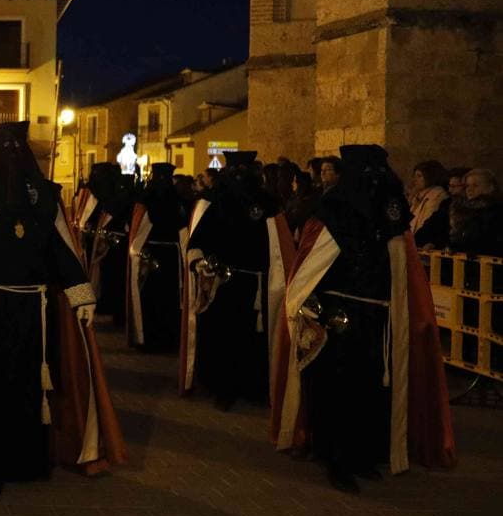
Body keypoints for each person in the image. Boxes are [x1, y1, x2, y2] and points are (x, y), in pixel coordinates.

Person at [0, 121, 125, 498]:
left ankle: (24, 462)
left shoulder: (44, 199)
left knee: (28, 388)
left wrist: (81, 294)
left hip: (35, 312)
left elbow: (60, 251)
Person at [271, 145, 454, 493]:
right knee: (337, 391)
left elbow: (400, 265)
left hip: (376, 316)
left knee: (371, 389)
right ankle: (335, 458)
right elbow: (311, 267)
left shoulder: (388, 212)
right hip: (338, 320)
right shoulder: (335, 210)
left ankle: (363, 455)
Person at [180, 152, 294, 410]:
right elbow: (199, 241)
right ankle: (224, 387)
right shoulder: (218, 202)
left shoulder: (266, 203)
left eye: (244, 170)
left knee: (254, 337)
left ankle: (253, 387)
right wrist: (201, 264)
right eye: (236, 170)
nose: (240, 176)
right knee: (226, 336)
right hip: (225, 283)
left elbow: (278, 244)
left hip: (258, 283)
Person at [125, 163, 188, 354]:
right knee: (161, 298)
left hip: (156, 255)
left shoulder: (149, 198)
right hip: (163, 256)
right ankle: (162, 340)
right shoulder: (175, 199)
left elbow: (136, 229)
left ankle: (155, 339)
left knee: (158, 299)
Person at [74, 163, 131, 328]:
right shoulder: (92, 195)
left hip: (114, 246)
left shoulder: (118, 195)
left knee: (112, 280)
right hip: (94, 243)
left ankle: (114, 311)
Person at [449, 168, 503, 256]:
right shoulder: (461, 209)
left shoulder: (496, 211)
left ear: (490, 187)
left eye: (475, 185)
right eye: (467, 186)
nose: (469, 189)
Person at [408, 160, 451, 250]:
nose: (415, 180)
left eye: (419, 176)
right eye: (415, 176)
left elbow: (426, 219)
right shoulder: (416, 197)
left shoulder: (436, 195)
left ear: (430, 177)